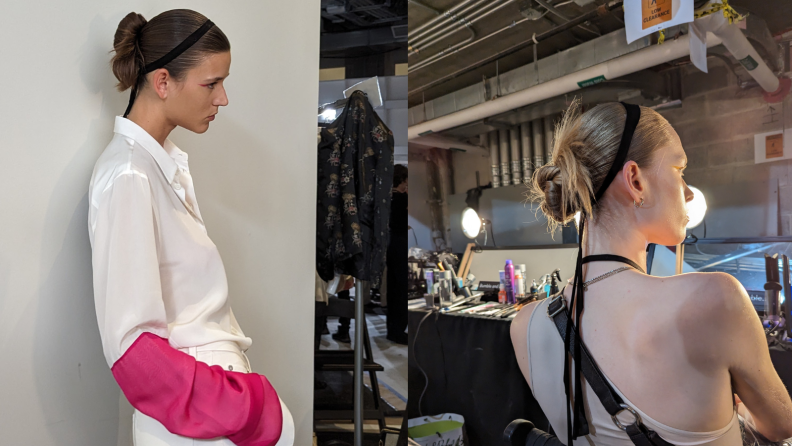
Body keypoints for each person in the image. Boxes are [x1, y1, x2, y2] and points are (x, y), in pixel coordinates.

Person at [510, 101, 792, 446]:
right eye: (679, 169)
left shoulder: (524, 326)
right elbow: (782, 426)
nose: (688, 192)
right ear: (635, 181)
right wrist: (740, 413)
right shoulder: (715, 299)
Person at [88, 10, 294, 446]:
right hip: (198, 419)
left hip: (204, 413)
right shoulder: (130, 175)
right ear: (163, 82)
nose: (223, 99)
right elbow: (133, 350)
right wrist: (247, 406)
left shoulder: (162, 165)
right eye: (211, 83)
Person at [386, 164, 409, 345]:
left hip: (390, 244)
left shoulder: (387, 199)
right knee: (402, 289)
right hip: (401, 244)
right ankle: (399, 330)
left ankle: (392, 329)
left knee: (392, 287)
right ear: (403, 179)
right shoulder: (403, 199)